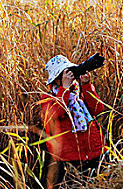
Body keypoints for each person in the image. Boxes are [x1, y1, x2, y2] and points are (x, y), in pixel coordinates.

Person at [40, 55, 105, 188]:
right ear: (56, 78)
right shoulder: (48, 98)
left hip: (94, 153)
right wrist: (65, 89)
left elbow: (98, 109)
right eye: (65, 73)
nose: (71, 75)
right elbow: (57, 113)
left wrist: (86, 85)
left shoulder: (78, 92)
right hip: (70, 160)